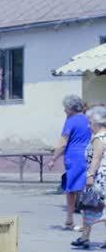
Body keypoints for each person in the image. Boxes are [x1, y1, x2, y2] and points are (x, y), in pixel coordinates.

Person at [48, 95, 92, 229]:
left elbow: (62, 143)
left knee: (72, 189)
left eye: (65, 108)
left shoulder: (71, 121)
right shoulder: (88, 119)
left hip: (74, 158)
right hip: (88, 156)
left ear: (71, 108)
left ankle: (70, 220)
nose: (64, 110)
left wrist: (53, 158)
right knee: (85, 189)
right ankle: (80, 221)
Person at [71, 106, 106, 249]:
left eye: (90, 121)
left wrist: (90, 176)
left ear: (98, 122)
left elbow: (96, 159)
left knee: (90, 206)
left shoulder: (99, 137)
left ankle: (85, 237)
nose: (88, 125)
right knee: (95, 207)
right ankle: (84, 236)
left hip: (99, 177)